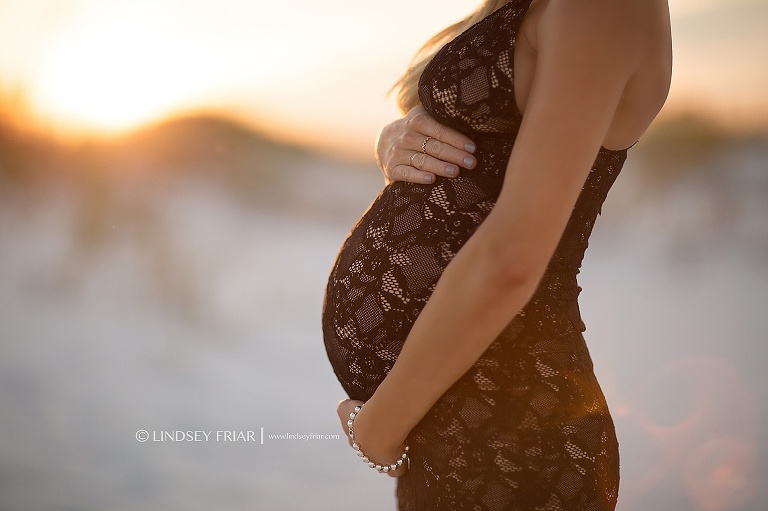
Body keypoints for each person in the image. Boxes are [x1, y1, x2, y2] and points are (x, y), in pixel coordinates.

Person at [322, 0, 672, 508]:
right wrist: (394, 138)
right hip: (463, 416)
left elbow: (513, 258)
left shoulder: (604, 9)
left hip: (508, 421)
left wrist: (379, 427)